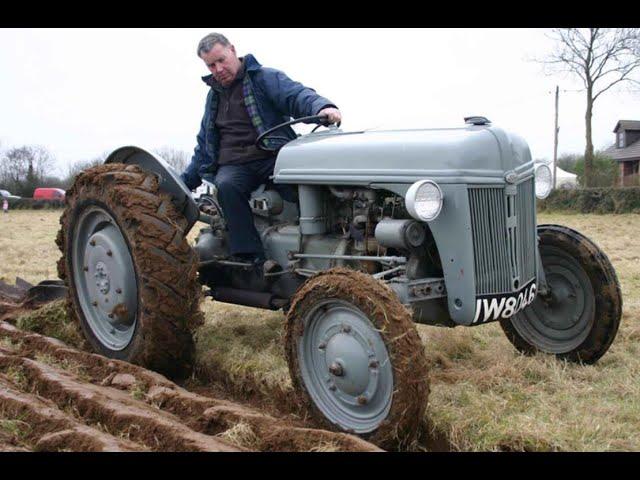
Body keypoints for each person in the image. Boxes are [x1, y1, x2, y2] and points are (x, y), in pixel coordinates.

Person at [180, 33, 342, 274]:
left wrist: (322, 107)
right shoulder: (213, 98)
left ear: (233, 50)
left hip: (271, 156)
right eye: (211, 65)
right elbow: (205, 145)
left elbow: (296, 95)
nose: (218, 69)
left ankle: (332, 239)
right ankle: (252, 258)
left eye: (221, 60)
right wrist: (184, 184)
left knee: (304, 183)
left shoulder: (264, 79)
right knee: (226, 185)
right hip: (235, 165)